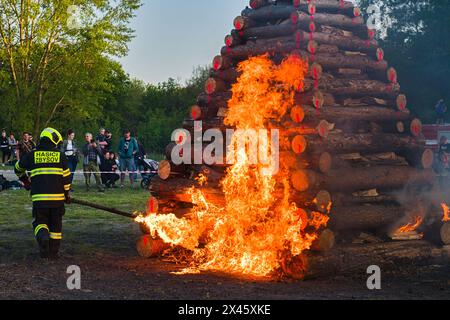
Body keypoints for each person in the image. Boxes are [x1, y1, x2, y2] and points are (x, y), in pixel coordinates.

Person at [14, 128, 71, 259]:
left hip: (39, 200)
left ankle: (43, 238)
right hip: (57, 200)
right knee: (56, 227)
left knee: (40, 222)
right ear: (53, 140)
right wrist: (67, 194)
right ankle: (54, 253)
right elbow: (66, 179)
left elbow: (17, 168)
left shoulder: (32, 155)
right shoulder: (61, 156)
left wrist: (25, 181)